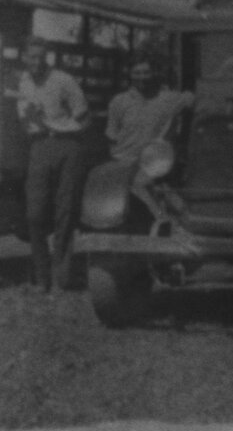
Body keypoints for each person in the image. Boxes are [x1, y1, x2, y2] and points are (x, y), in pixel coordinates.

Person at [17, 37, 90, 292]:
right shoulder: (23, 82)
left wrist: (65, 129)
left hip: (68, 146)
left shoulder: (63, 80)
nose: (36, 62)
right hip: (39, 146)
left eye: (40, 57)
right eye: (31, 57)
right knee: (34, 214)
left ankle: (62, 276)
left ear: (46, 57)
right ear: (24, 57)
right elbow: (23, 117)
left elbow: (83, 114)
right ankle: (41, 276)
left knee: (65, 210)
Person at [106, 57, 194, 218]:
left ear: (154, 73)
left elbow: (191, 98)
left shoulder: (169, 98)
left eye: (146, 72)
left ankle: (165, 217)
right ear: (130, 75)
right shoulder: (119, 102)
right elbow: (112, 136)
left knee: (141, 182)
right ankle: (174, 214)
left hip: (154, 160)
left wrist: (190, 99)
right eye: (137, 72)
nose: (142, 77)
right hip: (124, 160)